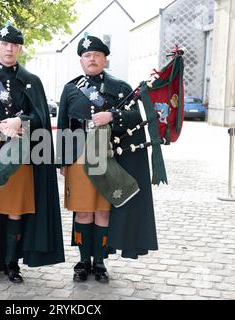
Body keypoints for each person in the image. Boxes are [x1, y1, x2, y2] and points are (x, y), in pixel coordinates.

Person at [0, 22, 64, 284]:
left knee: (14, 210)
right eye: (4, 44)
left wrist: (21, 120)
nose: (9, 49)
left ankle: (11, 264)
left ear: (19, 48)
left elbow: (40, 117)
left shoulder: (30, 81)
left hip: (19, 157)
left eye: (14, 45)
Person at [56, 35, 158, 283]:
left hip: (107, 158)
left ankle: (100, 263)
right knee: (83, 213)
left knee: (102, 212)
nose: (92, 59)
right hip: (79, 158)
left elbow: (136, 118)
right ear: (81, 60)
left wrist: (112, 116)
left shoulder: (120, 87)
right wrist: (61, 161)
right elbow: (62, 127)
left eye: (97, 55)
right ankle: (83, 262)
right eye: (87, 56)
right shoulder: (70, 89)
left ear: (105, 59)